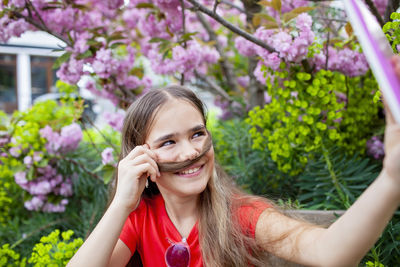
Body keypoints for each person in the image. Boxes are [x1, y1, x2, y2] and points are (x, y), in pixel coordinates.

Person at [67, 59, 400, 267]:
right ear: (141, 157)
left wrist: (391, 180)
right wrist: (122, 204)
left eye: (197, 134)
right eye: (169, 142)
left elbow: (331, 253)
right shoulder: (140, 219)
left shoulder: (241, 216)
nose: (189, 152)